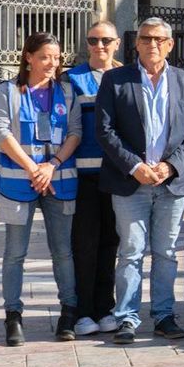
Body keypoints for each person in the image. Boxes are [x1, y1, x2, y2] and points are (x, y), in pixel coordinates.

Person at [97, 17, 184, 345]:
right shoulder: (115, 80)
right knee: (131, 250)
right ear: (136, 43)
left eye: (159, 39)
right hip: (130, 182)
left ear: (170, 45)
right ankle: (127, 317)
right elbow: (105, 130)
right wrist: (134, 166)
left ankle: (163, 315)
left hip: (170, 184)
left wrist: (171, 166)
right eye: (146, 38)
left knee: (166, 251)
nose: (152, 44)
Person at [0, 33, 82, 346]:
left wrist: (51, 165)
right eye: (45, 57)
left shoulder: (67, 91)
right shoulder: (7, 91)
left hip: (59, 180)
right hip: (19, 182)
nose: (52, 64)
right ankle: (13, 314)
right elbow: (2, 132)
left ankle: (68, 311)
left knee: (64, 252)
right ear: (28, 57)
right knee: (15, 252)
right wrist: (33, 169)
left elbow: (75, 132)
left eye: (56, 58)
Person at [65, 23, 124, 336]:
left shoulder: (128, 75)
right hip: (83, 177)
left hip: (118, 176)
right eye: (93, 40)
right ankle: (83, 311)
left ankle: (106, 307)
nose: (99, 46)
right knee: (85, 245)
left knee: (111, 244)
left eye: (105, 40)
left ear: (116, 43)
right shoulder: (72, 79)